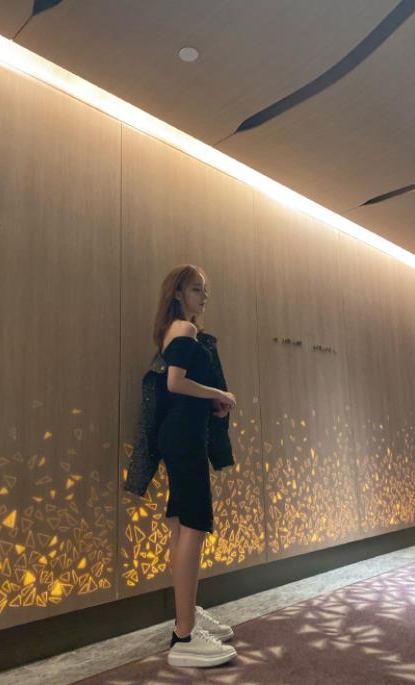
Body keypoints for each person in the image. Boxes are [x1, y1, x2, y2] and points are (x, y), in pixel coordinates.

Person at [154, 264, 238, 668]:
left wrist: (212, 402)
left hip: (180, 433)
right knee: (195, 524)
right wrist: (220, 392)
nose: (204, 297)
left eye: (205, 291)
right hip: (185, 436)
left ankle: (185, 615)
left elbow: (180, 386)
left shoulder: (173, 330)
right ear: (177, 293)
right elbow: (176, 382)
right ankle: (184, 636)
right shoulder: (184, 329)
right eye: (196, 290)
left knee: (181, 525)